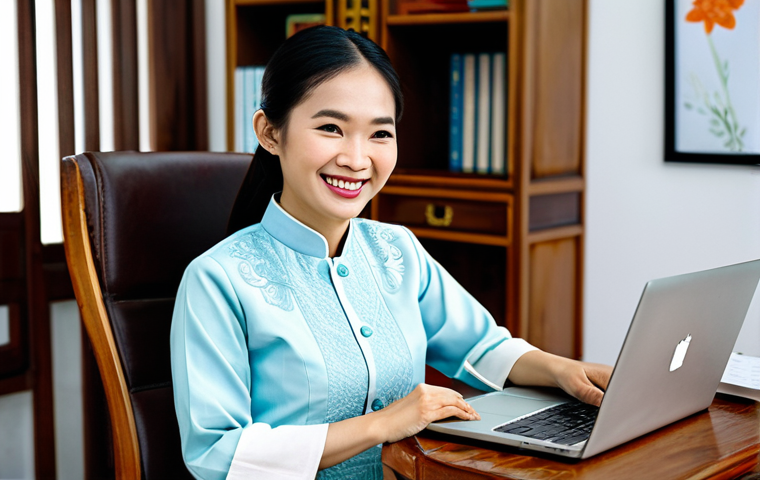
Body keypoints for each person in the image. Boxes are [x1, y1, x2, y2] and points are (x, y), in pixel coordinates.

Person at [170, 25, 612, 480]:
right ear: (270, 133)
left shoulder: (396, 249)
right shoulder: (217, 280)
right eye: (330, 128)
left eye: (380, 134)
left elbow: (482, 346)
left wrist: (565, 370)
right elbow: (216, 453)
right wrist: (383, 424)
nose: (357, 159)